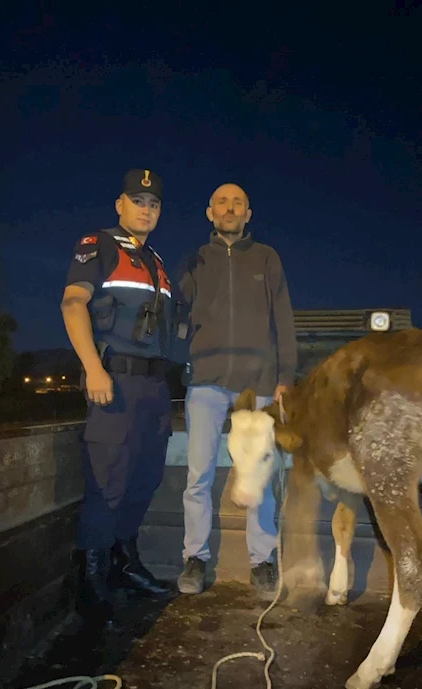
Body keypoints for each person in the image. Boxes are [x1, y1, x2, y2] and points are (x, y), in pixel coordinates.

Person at [60, 168, 188, 625]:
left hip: (156, 389)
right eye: (138, 201)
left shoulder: (155, 260)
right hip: (116, 382)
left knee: (146, 477)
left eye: (153, 203)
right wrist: (93, 368)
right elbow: (73, 303)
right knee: (107, 482)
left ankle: (124, 563)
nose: (146, 209)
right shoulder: (100, 246)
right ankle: (90, 580)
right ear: (120, 204)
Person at [176, 183, 297, 600]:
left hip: (257, 382)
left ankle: (262, 559)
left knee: (259, 475)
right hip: (206, 381)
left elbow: (282, 318)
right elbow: (177, 313)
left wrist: (286, 375)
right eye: (223, 203)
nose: (230, 209)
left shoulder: (267, 258)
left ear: (249, 213)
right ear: (210, 212)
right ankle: (195, 556)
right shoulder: (195, 260)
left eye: (238, 203)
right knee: (198, 475)